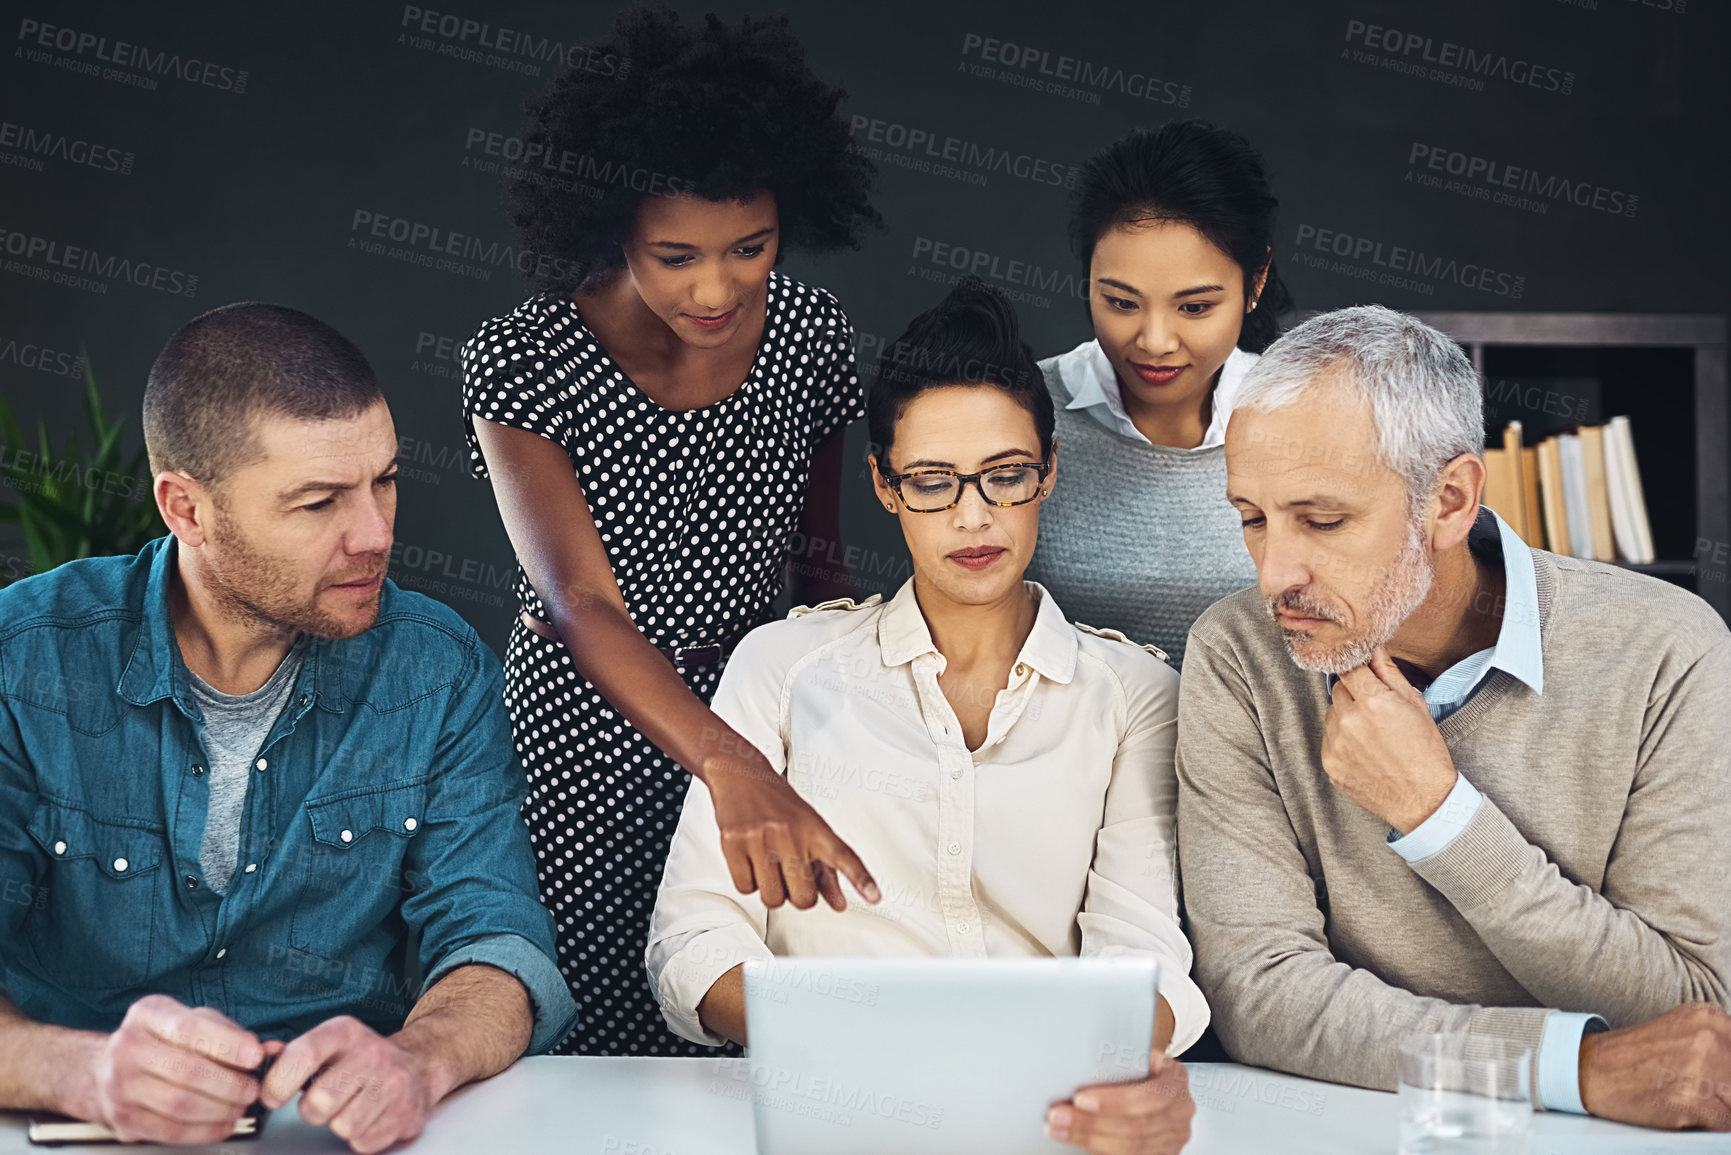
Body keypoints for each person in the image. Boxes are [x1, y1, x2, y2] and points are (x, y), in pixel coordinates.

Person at [0, 304, 576, 1153]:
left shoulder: (436, 669)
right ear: (187, 509)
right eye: (318, 503)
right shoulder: (25, 659)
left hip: (331, 1137)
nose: (375, 535)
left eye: (384, 480)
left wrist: (416, 1062)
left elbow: (495, 939)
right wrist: (78, 1070)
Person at [647, 282, 1204, 1155]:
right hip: (823, 1116)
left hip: (1045, 1122)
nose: (973, 515)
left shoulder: (1134, 693)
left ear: (1047, 470)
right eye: (933, 482)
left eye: (1005, 475)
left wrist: (1120, 1062)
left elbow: (1145, 952)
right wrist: (862, 1040)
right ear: (883, 484)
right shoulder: (781, 669)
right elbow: (692, 940)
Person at [1177, 304, 1731, 1130]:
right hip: (1333, 1128)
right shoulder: (1236, 654)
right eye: (1252, 518)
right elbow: (1258, 994)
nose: (1273, 574)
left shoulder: (1667, 651)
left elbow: (1692, 1013)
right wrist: (1565, 1066)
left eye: (1321, 519)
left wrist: (1439, 814)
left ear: (1449, 500)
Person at [459, 8, 886, 1056]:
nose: (718, 288)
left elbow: (818, 567)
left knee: (747, 1009)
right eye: (676, 255)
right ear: (608, 228)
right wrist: (727, 764)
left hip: (762, 705)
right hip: (586, 730)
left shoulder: (809, 331)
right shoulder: (522, 363)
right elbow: (580, 604)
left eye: (751, 247)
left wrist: (810, 734)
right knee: (597, 1017)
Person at [1027, 121, 1293, 666]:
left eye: (1195, 308)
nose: (1154, 342)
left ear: (1257, 280)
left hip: (1264, 749)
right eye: (1122, 303)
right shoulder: (1023, 412)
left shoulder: (1308, 419)